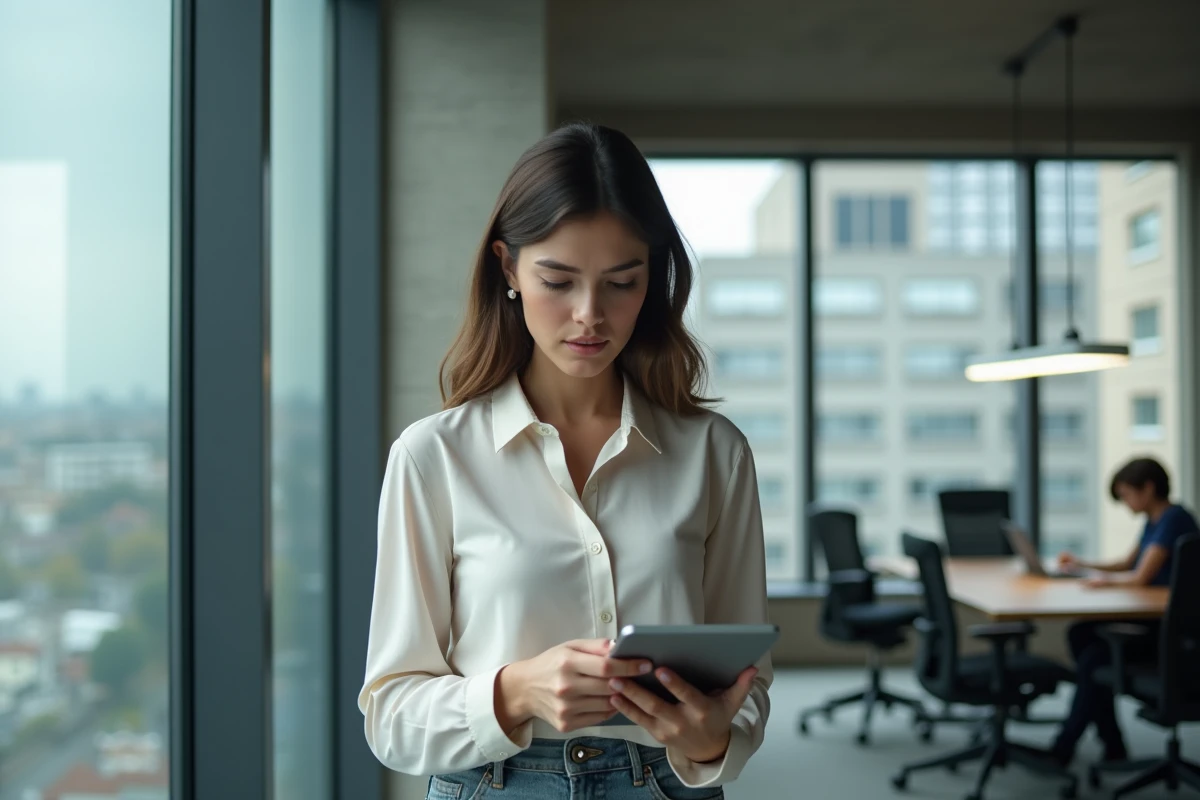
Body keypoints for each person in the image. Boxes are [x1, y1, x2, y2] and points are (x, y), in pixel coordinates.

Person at [358, 122, 772, 800]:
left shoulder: (713, 454)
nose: (589, 315)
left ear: (653, 279)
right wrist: (513, 691)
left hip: (667, 785)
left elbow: (749, 682)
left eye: (621, 282)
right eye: (559, 279)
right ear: (508, 268)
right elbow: (392, 717)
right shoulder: (434, 457)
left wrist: (713, 738)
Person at [1049, 457, 1199, 765]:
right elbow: (1128, 563)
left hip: (1168, 631)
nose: (1125, 503)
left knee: (1091, 660)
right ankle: (1111, 742)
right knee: (1081, 635)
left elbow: (1141, 576)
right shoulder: (1155, 521)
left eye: (1127, 494)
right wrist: (1082, 565)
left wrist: (1103, 582)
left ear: (1148, 488)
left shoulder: (1175, 520)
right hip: (1156, 622)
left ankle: (1067, 745)